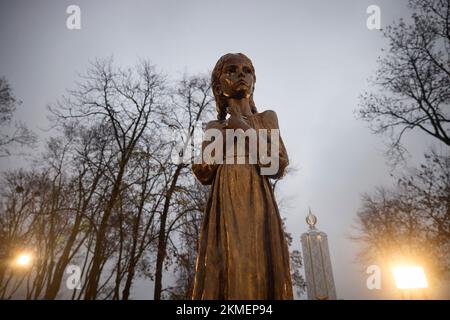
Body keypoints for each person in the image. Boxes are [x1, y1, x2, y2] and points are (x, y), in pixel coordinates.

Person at [191, 53, 293, 299]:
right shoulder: (214, 128)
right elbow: (203, 170)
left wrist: (244, 129)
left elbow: (276, 165)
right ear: (218, 86)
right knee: (228, 262)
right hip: (224, 205)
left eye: (247, 71)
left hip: (258, 202)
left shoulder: (267, 119)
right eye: (232, 70)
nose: (241, 74)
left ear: (254, 82)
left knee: (259, 262)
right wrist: (229, 132)